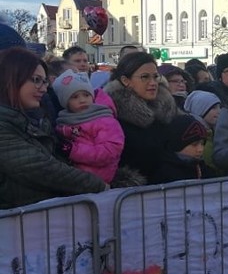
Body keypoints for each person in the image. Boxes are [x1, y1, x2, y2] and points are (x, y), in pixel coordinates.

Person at [0, 47, 107, 208]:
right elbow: (39, 168)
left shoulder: (37, 119)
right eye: (36, 80)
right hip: (18, 223)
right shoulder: (5, 124)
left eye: (44, 81)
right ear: (11, 78)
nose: (43, 88)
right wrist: (99, 185)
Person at [104, 51, 178, 184]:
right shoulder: (114, 118)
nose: (153, 83)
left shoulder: (166, 110)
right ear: (126, 80)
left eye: (155, 77)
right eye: (145, 77)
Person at [53, 69, 124, 184]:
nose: (82, 100)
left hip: (98, 178)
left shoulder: (104, 120)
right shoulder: (64, 121)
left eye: (86, 95)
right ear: (65, 102)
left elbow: (109, 151)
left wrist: (73, 151)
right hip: (75, 178)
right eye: (75, 97)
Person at [150, 114, 211, 183]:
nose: (200, 149)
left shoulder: (203, 169)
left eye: (202, 143)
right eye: (194, 144)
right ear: (177, 145)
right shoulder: (165, 174)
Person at [183, 90, 222, 173]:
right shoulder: (190, 132)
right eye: (213, 108)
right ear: (200, 109)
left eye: (219, 107)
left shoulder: (214, 131)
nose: (219, 111)